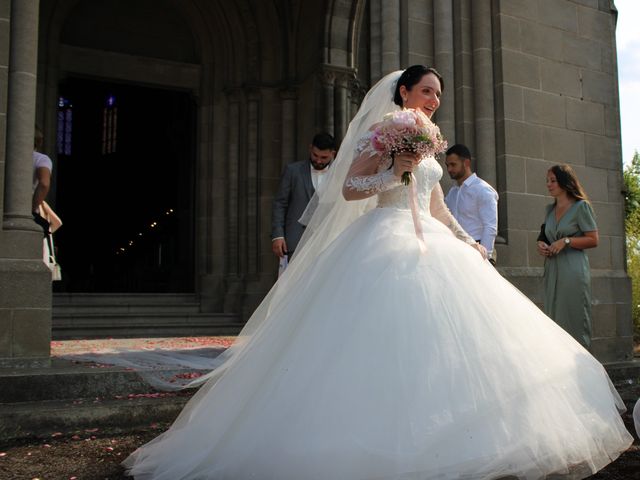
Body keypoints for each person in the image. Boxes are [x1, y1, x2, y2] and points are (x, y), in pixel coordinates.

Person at [124, 66, 631, 480]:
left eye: (439, 93)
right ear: (404, 90)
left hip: (430, 241)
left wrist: (467, 240)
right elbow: (350, 189)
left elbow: (434, 203)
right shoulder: (380, 131)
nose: (434, 99)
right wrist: (395, 170)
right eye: (427, 90)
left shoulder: (430, 137)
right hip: (383, 237)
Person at [537, 164, 598, 349]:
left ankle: (582, 371)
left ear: (564, 181)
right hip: (552, 270)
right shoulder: (549, 210)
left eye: (553, 181)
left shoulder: (581, 207)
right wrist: (541, 245)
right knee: (553, 319)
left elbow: (593, 239)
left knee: (574, 319)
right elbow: (545, 236)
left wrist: (567, 241)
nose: (548, 184)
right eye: (547, 181)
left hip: (573, 270)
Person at [271, 132, 336, 259]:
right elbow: (280, 204)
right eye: (315, 155)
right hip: (296, 240)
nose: (318, 160)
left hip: (329, 240)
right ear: (310, 148)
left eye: (324, 157)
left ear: (333, 154)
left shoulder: (339, 174)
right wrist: (277, 235)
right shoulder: (292, 171)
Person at [444, 143, 498, 263]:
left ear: (466, 163)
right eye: (447, 165)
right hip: (456, 250)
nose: (449, 169)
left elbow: (490, 227)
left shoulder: (483, 189)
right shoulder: (452, 193)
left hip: (477, 249)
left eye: (453, 164)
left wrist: (485, 257)